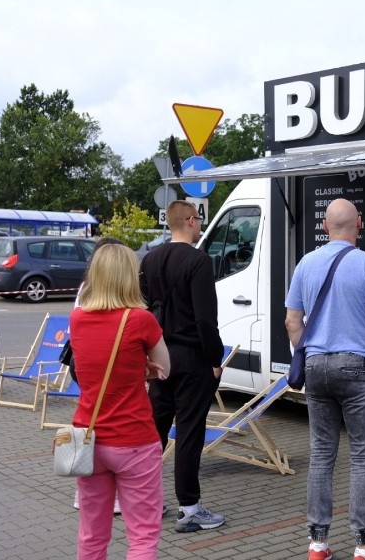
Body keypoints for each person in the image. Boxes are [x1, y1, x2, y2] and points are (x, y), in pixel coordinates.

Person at [285, 198, 365, 560]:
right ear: (359, 224)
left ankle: (317, 543)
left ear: (324, 227)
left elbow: (292, 321)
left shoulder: (306, 263)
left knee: (321, 454)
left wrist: (308, 356)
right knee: (363, 456)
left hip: (317, 367)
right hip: (359, 368)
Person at [70, 243, 171, 560]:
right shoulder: (141, 320)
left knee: (91, 534)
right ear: (130, 275)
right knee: (142, 536)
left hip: (89, 437)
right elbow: (165, 368)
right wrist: (145, 368)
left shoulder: (77, 318)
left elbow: (96, 364)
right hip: (134, 440)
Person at [139, 200, 226, 533]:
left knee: (153, 433)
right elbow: (206, 319)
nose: (201, 225)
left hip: (160, 355)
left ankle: (145, 500)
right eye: (199, 220)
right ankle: (189, 507)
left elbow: (148, 309)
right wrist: (215, 359)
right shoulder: (199, 261)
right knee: (189, 432)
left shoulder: (150, 259)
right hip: (191, 358)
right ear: (190, 221)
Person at [71, 236, 124, 515]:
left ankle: (84, 490)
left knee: (91, 419)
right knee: (107, 424)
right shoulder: (114, 292)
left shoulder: (85, 289)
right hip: (107, 364)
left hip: (86, 365)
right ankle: (112, 496)